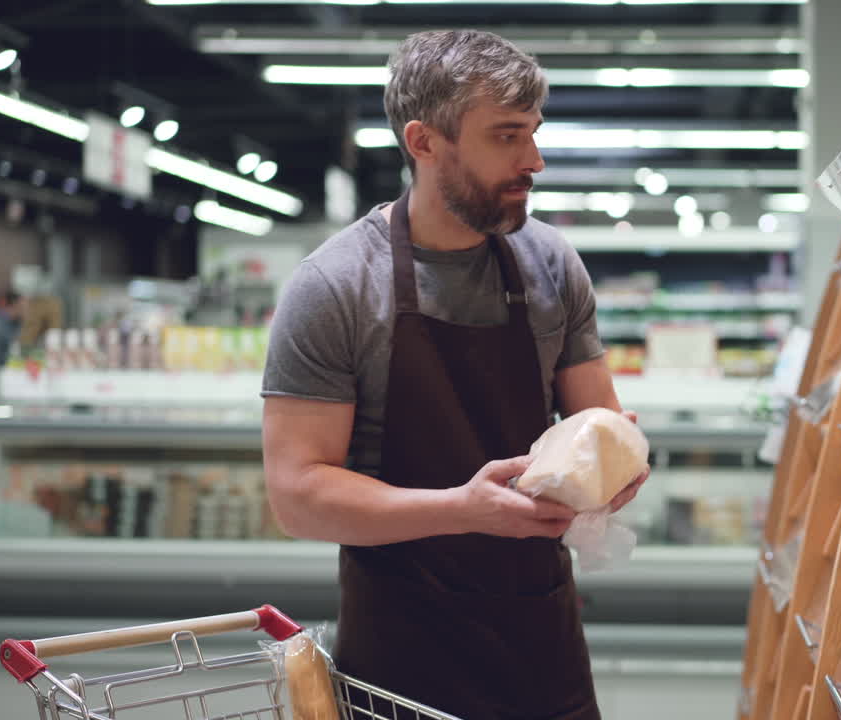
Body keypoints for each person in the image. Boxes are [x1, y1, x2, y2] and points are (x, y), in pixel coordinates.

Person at [261, 29, 646, 720]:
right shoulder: (336, 286)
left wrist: (615, 468)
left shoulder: (553, 267)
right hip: (402, 657)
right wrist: (460, 509)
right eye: (506, 136)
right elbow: (297, 494)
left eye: (533, 132)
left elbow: (599, 421)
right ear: (424, 142)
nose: (535, 159)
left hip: (542, 642)